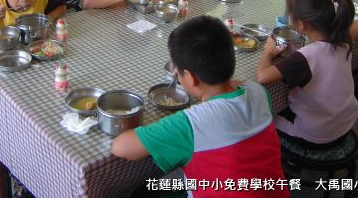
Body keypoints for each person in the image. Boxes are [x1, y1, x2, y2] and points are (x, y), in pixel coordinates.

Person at [112, 16, 287, 194]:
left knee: (142, 192)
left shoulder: (192, 123)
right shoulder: (258, 91)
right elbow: (239, 84)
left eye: (178, 71)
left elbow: (121, 148)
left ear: (190, 78)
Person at [257, 0, 358, 145]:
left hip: (316, 135)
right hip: (345, 123)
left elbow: (262, 77)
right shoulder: (344, 40)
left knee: (259, 117)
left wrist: (268, 52)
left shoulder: (305, 57)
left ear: (301, 25)